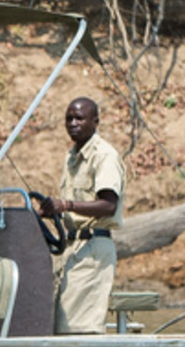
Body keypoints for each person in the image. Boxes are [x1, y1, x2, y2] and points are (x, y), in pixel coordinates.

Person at [37, 96, 126, 334]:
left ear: (95, 121)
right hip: (71, 247)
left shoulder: (104, 156)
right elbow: (73, 206)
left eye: (79, 118)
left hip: (94, 248)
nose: (73, 123)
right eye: (69, 118)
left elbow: (108, 205)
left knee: (80, 326)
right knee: (61, 322)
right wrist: (50, 211)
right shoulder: (72, 156)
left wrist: (66, 205)